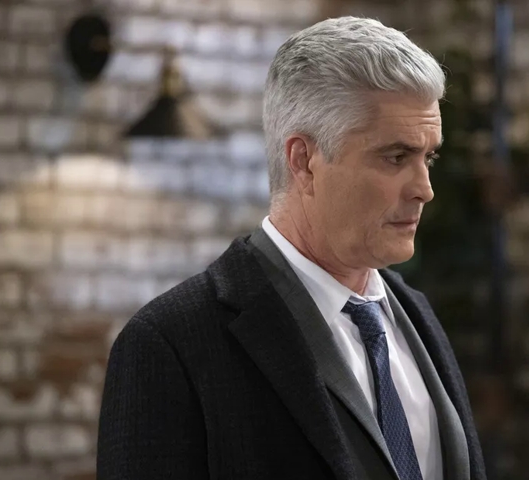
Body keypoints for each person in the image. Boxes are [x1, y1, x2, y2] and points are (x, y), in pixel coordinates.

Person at [96, 16, 487, 480]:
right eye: (396, 157)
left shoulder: (416, 314)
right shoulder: (168, 345)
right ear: (303, 161)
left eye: (429, 157)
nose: (425, 189)